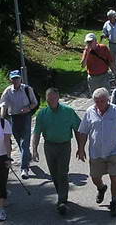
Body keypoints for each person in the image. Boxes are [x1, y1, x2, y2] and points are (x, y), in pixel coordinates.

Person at [76, 87, 116, 217]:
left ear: (107, 100)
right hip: (96, 152)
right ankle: (101, 188)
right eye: (96, 101)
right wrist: (81, 148)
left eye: (102, 101)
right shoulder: (90, 111)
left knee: (114, 176)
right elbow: (83, 131)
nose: (99, 104)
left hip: (113, 150)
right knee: (95, 177)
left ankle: (114, 202)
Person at [31, 87, 81, 215]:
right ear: (46, 99)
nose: (51, 100)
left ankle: (62, 201)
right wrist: (34, 149)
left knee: (63, 173)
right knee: (54, 174)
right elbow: (36, 132)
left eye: (54, 98)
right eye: (49, 98)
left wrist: (81, 148)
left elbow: (78, 129)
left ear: (58, 98)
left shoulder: (68, 111)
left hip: (64, 146)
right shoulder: (42, 114)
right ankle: (61, 195)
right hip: (49, 146)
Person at [0, 70, 38, 179]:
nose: (15, 80)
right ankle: (27, 156)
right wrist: (2, 120)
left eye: (17, 78)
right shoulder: (8, 91)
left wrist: (28, 108)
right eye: (13, 78)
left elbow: (35, 103)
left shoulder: (27, 89)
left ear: (20, 79)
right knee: (18, 141)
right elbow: (3, 106)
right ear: (10, 79)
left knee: (25, 143)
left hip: (26, 117)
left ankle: (24, 168)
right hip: (14, 118)